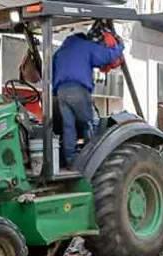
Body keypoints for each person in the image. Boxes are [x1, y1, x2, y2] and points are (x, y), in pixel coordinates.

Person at [51, 30, 125, 167]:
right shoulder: (86, 46)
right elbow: (107, 56)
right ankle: (92, 161)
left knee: (69, 127)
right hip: (78, 90)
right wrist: (120, 46)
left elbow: (51, 70)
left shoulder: (62, 50)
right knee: (90, 123)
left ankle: (70, 160)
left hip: (61, 91)